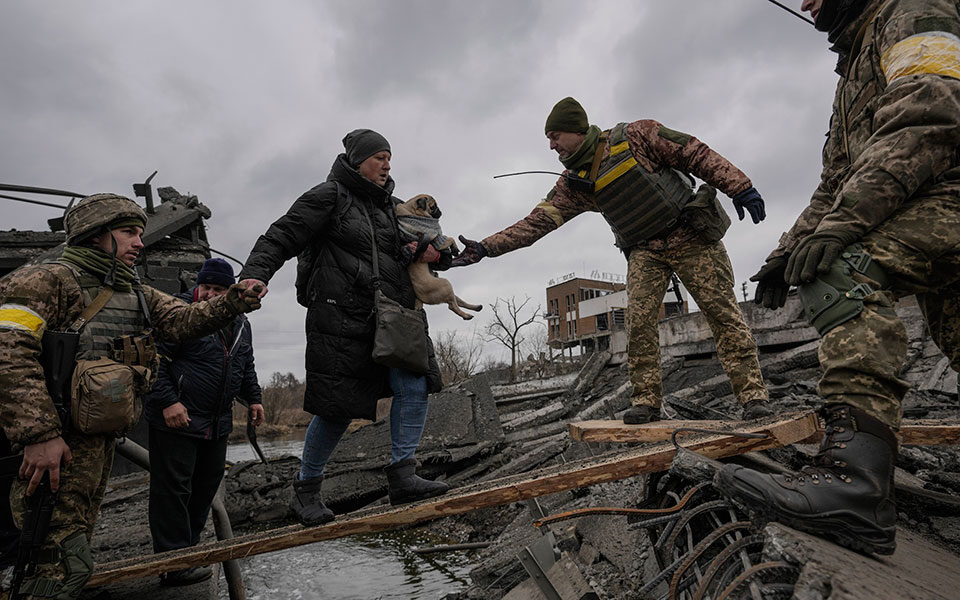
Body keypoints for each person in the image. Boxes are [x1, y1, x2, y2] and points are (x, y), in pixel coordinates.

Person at [717, 0, 960, 556]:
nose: (805, 2)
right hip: (928, 208)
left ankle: (857, 488)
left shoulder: (915, 8)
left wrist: (840, 231)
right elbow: (836, 181)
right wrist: (787, 251)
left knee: (840, 270)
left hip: (946, 196)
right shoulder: (855, 63)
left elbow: (931, 109)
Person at [0, 194, 261, 598]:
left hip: (97, 440)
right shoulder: (43, 281)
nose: (140, 242)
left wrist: (236, 299)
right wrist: (38, 435)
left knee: (74, 542)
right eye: (129, 233)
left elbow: (183, 319)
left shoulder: (133, 290)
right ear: (95, 235)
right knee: (48, 553)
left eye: (141, 232)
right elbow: (9, 355)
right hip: (54, 441)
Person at [451, 97, 772, 424]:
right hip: (646, 251)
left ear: (576, 131)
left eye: (555, 136)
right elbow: (535, 223)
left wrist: (739, 185)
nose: (551, 145)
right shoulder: (573, 183)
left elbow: (693, 152)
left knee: (722, 314)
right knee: (638, 323)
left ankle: (753, 397)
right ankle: (646, 401)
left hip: (689, 236)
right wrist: (485, 248)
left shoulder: (636, 136)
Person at [237, 129, 449, 527]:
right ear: (357, 160)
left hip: (397, 315)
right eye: (378, 157)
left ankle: (403, 475)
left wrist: (448, 253)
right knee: (337, 408)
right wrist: (254, 274)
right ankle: (306, 491)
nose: (387, 165)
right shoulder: (329, 196)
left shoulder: (397, 208)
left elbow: (426, 248)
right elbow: (281, 235)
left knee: (414, 384)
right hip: (341, 318)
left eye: (390, 158)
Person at [143, 257, 265, 586]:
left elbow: (245, 361)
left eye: (219, 289)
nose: (211, 294)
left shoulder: (240, 320)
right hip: (176, 417)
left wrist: (254, 397)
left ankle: (190, 553)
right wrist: (169, 401)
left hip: (216, 420)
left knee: (205, 487)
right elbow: (154, 361)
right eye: (206, 287)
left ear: (231, 291)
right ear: (198, 286)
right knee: (173, 490)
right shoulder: (177, 312)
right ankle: (173, 563)